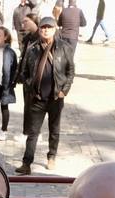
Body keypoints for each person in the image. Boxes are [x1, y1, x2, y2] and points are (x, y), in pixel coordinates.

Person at [15, 17, 72, 173]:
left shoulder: (64, 47)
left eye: (49, 27)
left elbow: (70, 71)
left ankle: (51, 156)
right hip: (37, 98)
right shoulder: (32, 48)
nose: (45, 30)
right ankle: (26, 163)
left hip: (55, 97)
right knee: (33, 133)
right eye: (43, 27)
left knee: (54, 130)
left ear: (54, 30)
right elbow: (24, 71)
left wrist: (63, 91)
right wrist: (29, 85)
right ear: (39, 29)